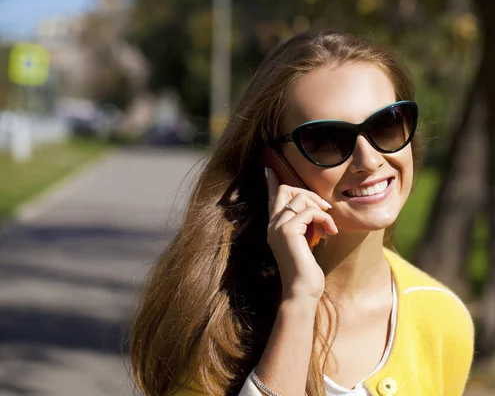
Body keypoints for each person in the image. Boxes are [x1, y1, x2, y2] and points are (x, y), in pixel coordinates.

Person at [130, 30, 474, 396]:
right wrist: (298, 304)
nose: (370, 160)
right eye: (326, 141)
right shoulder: (213, 315)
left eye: (386, 125)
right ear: (274, 163)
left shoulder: (442, 320)